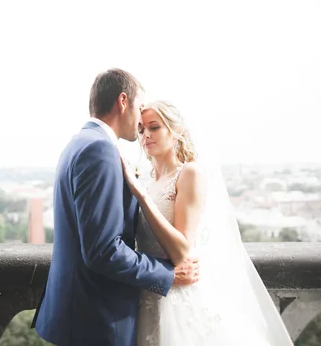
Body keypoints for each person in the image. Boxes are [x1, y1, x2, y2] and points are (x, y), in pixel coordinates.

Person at [32, 69, 200, 346]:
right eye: (139, 110)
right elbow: (102, 250)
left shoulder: (79, 143)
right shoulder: (98, 150)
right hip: (95, 317)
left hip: (83, 311)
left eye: (153, 126)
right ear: (124, 101)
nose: (140, 126)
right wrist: (166, 274)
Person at [120, 100, 294, 345]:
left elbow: (182, 250)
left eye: (154, 127)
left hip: (177, 299)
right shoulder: (146, 180)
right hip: (147, 293)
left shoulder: (189, 174)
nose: (145, 135)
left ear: (176, 131)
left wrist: (142, 196)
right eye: (140, 129)